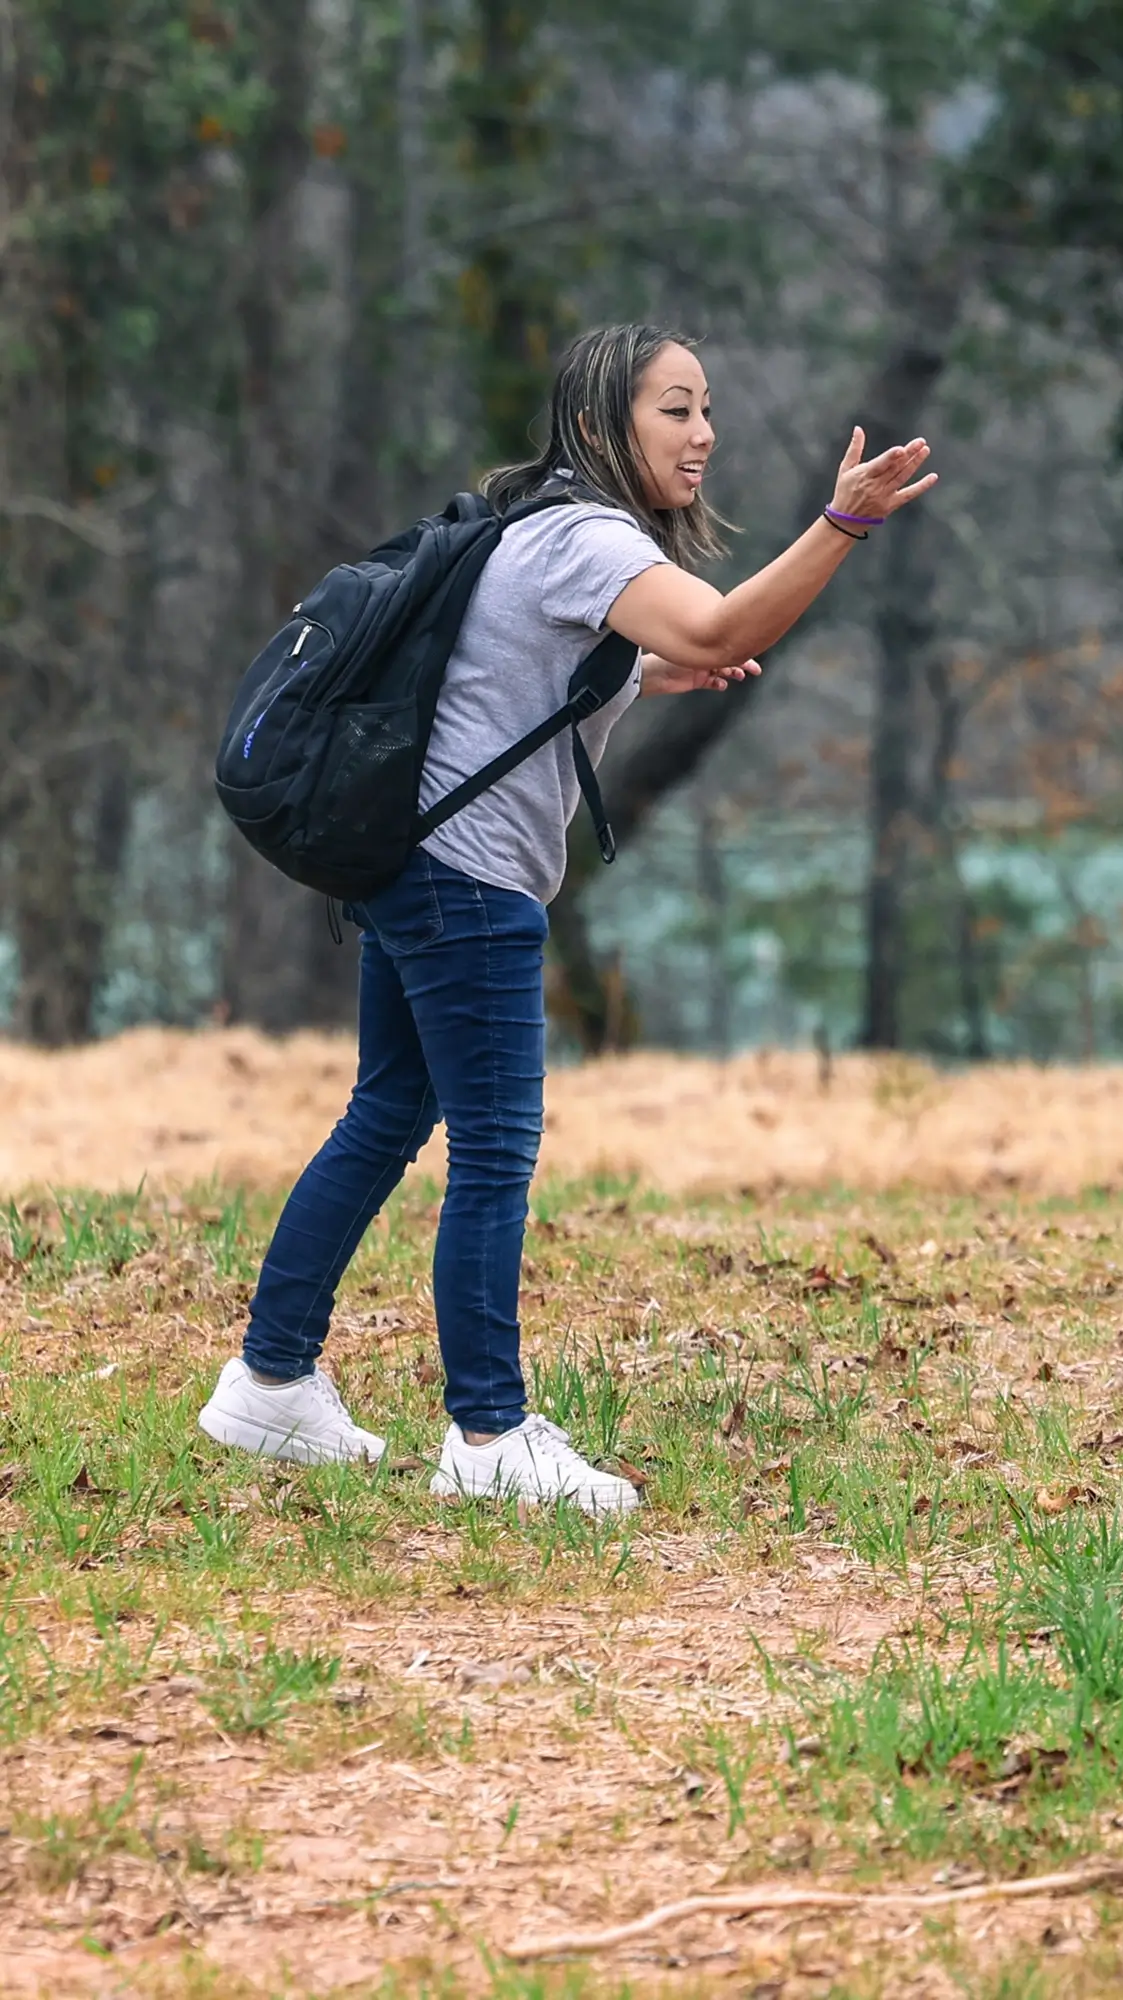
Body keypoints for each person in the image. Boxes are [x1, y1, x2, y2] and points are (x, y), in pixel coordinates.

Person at [195, 323, 936, 1511]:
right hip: (469, 882)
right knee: (492, 1150)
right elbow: (720, 624)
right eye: (675, 410)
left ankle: (271, 1377)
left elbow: (515, 671)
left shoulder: (530, 518)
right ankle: (488, 1436)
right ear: (602, 424)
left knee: (387, 1112)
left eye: (706, 410)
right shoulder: (587, 533)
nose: (703, 435)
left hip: (412, 861)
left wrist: (647, 674)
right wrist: (841, 523)